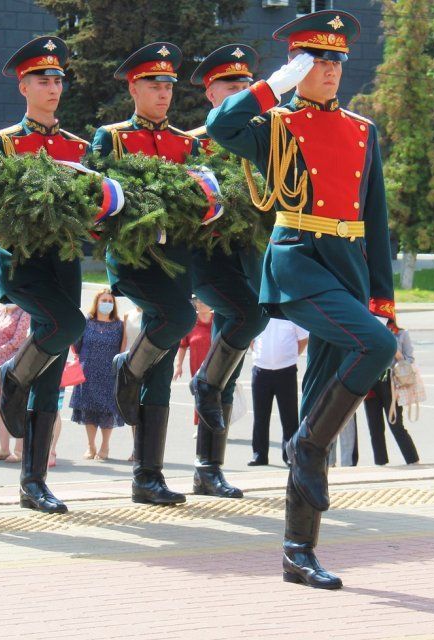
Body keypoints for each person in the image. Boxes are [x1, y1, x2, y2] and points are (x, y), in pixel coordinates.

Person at [207, 10, 398, 589]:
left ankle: (298, 551)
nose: (332, 70)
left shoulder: (363, 130)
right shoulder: (278, 123)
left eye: (337, 60)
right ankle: (308, 445)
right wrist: (272, 87)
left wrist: (383, 298)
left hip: (349, 266)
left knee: (320, 392)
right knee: (375, 348)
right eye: (318, 60)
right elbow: (220, 126)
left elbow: (378, 222)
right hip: (298, 259)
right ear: (297, 65)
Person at [0, 36, 97, 513]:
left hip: (63, 261)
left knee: (49, 373)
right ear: (23, 87)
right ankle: (11, 376)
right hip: (21, 263)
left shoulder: (77, 147)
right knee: (66, 326)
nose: (52, 87)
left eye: (57, 80)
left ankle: (35, 482)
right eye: (42, 80)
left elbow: (92, 208)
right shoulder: (2, 143)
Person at [93, 42, 199, 505]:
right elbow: (98, 199)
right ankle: (125, 367)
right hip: (135, 258)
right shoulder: (111, 138)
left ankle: (147, 476)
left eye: (168, 85)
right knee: (178, 321)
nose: (163, 92)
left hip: (175, 258)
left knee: (160, 365)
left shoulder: (185, 142)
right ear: (133, 87)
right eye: (153, 84)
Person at [186, 44, 270, 499]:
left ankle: (208, 468)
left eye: (245, 85)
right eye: (231, 86)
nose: (240, 92)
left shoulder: (265, 139)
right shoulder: (195, 142)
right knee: (240, 331)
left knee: (229, 372)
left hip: (249, 262)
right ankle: (153, 470)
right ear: (211, 94)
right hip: (209, 261)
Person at [70, 289, 126, 461]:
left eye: (110, 301)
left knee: (107, 410)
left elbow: (122, 348)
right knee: (89, 410)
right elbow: (76, 345)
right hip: (88, 371)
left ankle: (105, 446)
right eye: (104, 300)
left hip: (109, 372)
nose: (107, 303)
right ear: (96, 302)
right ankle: (91, 445)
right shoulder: (86, 322)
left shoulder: (118, 325)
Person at [248, 318, 308, 466]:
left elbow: (303, 339)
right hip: (261, 370)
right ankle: (259, 455)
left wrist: (290, 356)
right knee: (260, 416)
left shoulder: (290, 314)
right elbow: (250, 338)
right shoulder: (259, 314)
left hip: (286, 370)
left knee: (289, 416)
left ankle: (289, 455)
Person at [364, 316, 420, 465]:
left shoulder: (401, 334)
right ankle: (381, 462)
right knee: (374, 426)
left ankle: (412, 459)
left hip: (392, 381)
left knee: (395, 424)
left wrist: (397, 354)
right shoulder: (368, 333)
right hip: (371, 380)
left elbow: (409, 360)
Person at [0, 304, 30, 463]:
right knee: (0, 407)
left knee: (16, 406)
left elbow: (18, 340)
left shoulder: (24, 313)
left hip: (11, 367)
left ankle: (19, 450)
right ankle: (3, 448)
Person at [173, 297, 214, 430]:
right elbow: (183, 345)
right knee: (200, 395)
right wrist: (178, 365)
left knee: (216, 396)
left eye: (205, 301)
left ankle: (216, 426)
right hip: (197, 367)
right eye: (199, 301)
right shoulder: (191, 322)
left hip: (216, 366)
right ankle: (200, 426)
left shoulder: (218, 320)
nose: (202, 304)